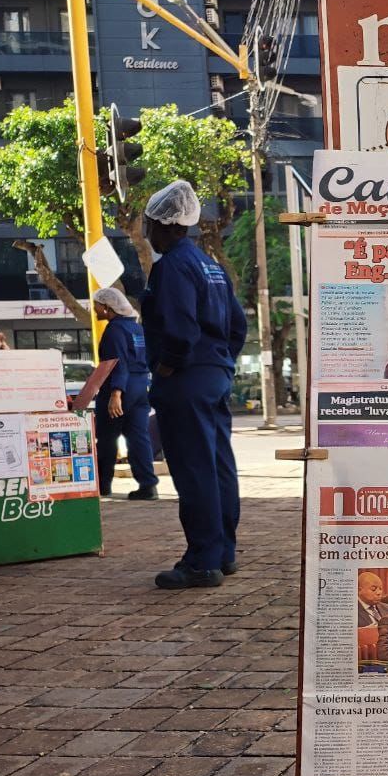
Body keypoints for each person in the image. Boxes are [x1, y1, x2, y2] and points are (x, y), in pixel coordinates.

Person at [140, 180, 247, 590]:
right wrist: (219, 361)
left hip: (186, 378)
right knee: (218, 464)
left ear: (165, 224)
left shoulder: (171, 266)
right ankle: (223, 553)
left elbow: (180, 329)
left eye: (149, 223)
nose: (147, 232)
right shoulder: (210, 265)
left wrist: (169, 366)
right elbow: (237, 325)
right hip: (214, 374)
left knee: (193, 468)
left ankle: (202, 561)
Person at [91, 287, 159, 501]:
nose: (94, 309)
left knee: (107, 438)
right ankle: (148, 485)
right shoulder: (137, 329)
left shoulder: (114, 330)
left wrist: (116, 394)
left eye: (96, 305)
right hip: (140, 388)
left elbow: (117, 363)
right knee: (139, 437)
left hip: (119, 389)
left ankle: (103, 485)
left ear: (107, 307)